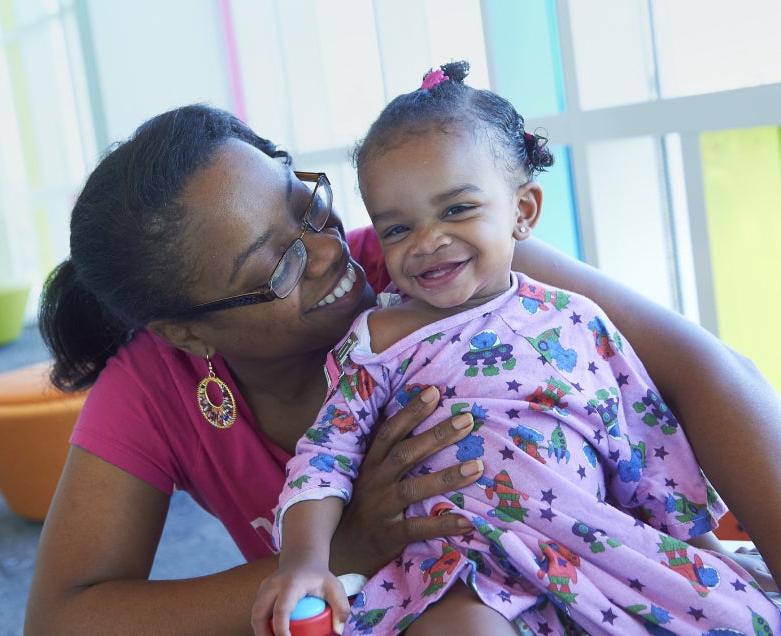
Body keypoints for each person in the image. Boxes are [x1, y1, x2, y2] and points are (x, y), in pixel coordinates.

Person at [23, 99, 781, 636]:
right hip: (429, 601)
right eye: (282, 261)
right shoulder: (153, 388)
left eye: (307, 204)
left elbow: (707, 373)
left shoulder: (435, 265)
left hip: (587, 557)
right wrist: (342, 547)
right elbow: (64, 618)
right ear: (186, 333)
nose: (331, 250)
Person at [250, 61, 781, 636]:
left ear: (522, 212)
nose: (428, 241)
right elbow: (323, 460)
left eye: (457, 210)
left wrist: (700, 553)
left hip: (591, 553)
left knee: (739, 614)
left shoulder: (575, 319)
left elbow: (643, 448)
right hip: (453, 569)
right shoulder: (376, 343)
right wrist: (303, 562)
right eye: (397, 229)